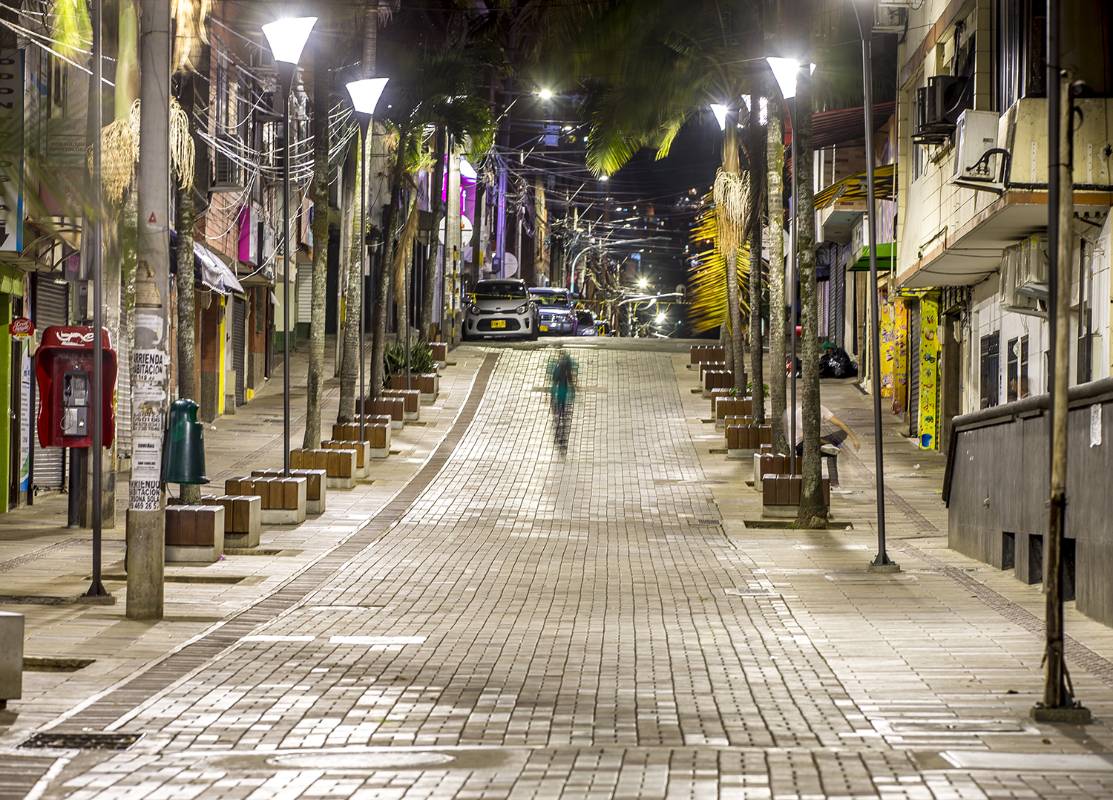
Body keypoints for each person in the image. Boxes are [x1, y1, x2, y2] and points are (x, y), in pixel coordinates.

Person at [549, 349, 577, 453]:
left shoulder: (557, 367)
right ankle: (562, 439)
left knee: (558, 416)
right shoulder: (565, 370)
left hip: (557, 395)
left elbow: (554, 381)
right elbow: (569, 380)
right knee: (563, 416)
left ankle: (559, 435)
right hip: (562, 395)